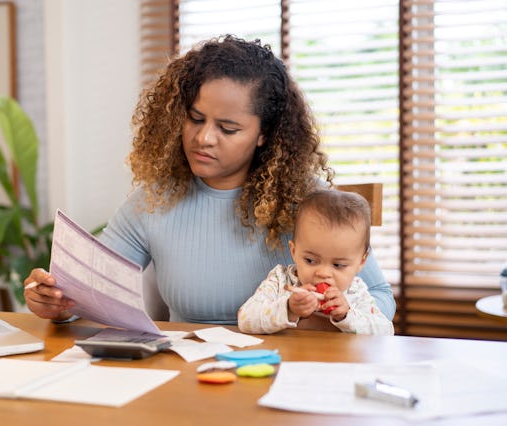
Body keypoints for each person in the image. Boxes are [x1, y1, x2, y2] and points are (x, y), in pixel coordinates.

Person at [23, 35, 395, 325]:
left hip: (291, 368)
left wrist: (337, 311)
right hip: (192, 376)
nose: (204, 138)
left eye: (228, 128)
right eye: (196, 119)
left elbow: (379, 298)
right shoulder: (153, 200)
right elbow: (89, 289)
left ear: (265, 133)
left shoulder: (308, 201)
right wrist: (57, 301)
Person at [238, 189, 394, 335]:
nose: (323, 273)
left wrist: (346, 315)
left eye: (338, 265)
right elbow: (245, 319)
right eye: (311, 260)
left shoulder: (356, 292)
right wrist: (288, 308)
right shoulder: (281, 281)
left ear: (361, 262)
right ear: (294, 251)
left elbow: (386, 331)